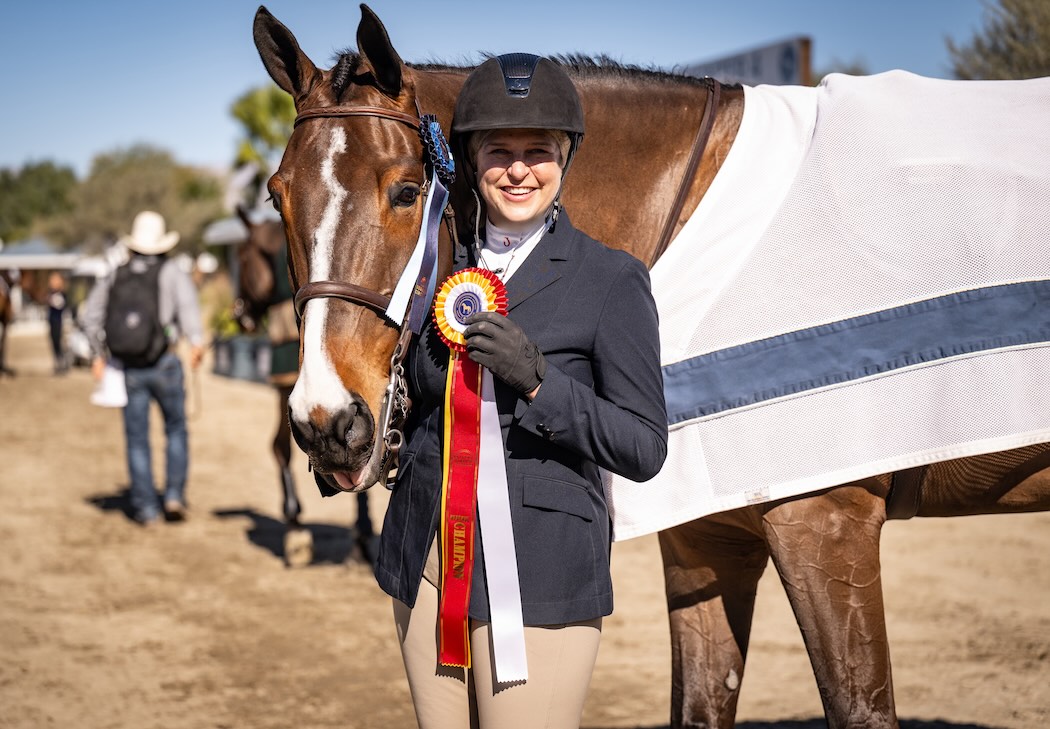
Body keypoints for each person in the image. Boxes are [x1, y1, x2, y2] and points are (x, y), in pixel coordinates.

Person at [373, 54, 668, 728]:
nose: (517, 169)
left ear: (564, 159)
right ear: (471, 159)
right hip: (425, 559)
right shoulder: (439, 267)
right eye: (498, 150)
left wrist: (539, 381)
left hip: (541, 574)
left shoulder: (611, 279)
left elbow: (644, 445)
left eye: (538, 151)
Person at [80, 211, 205, 526]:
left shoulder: (115, 274)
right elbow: (189, 312)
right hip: (164, 362)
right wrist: (196, 343)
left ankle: (146, 508)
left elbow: (90, 315)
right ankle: (173, 496)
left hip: (129, 368)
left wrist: (98, 353)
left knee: (137, 438)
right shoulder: (172, 272)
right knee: (175, 429)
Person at [46, 271, 69, 374]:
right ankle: (57, 363)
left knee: (59, 343)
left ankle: (63, 363)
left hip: (59, 322)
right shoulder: (51, 293)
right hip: (52, 321)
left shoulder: (62, 294)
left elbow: (60, 305)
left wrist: (51, 300)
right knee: (54, 343)